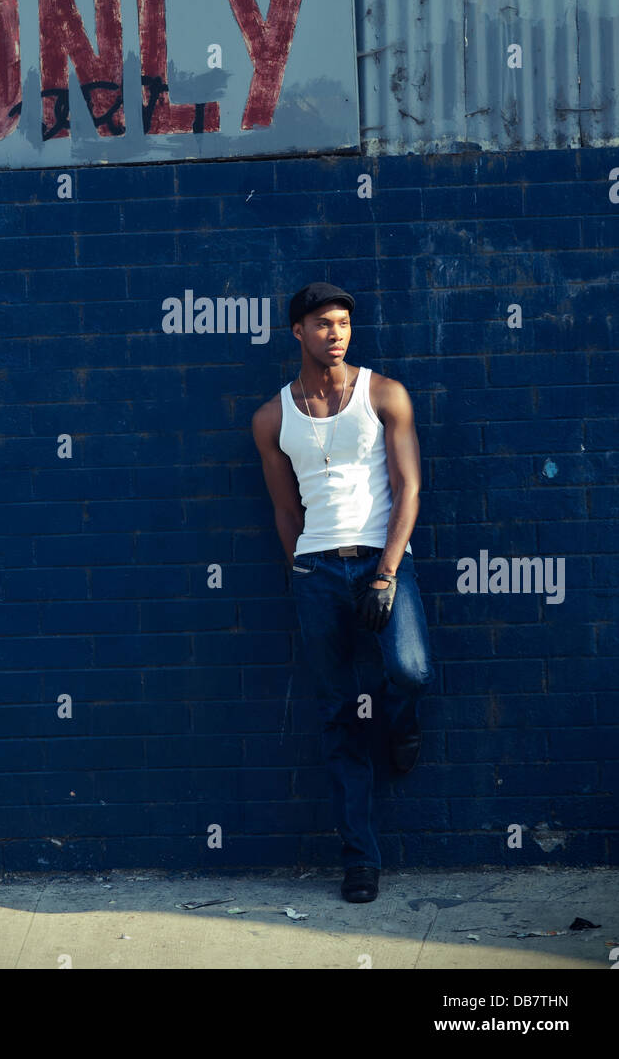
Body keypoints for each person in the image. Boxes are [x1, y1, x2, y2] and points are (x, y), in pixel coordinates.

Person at [251, 282, 435, 903]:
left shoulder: (385, 394)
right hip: (317, 571)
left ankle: (403, 722)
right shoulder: (272, 418)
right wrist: (303, 569)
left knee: (409, 670)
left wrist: (385, 573)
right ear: (297, 332)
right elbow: (284, 510)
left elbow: (409, 489)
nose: (337, 334)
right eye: (324, 324)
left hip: (385, 561)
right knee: (337, 715)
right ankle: (361, 859)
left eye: (345, 323)